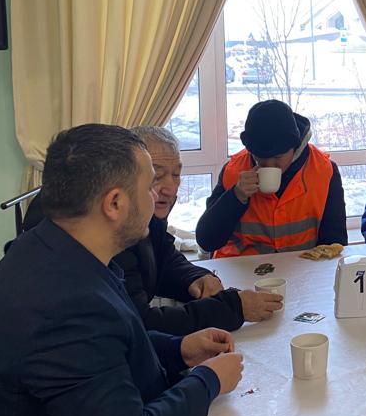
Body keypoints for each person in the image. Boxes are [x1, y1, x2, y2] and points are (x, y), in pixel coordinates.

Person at [0, 124, 244, 416]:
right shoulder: (66, 305)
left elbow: (111, 347)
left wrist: (179, 349)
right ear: (114, 203)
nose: (159, 195)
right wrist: (208, 380)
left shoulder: (51, 250)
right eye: (149, 186)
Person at [117, 126, 279, 333]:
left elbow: (163, 258)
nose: (171, 188)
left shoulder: (149, 218)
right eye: (157, 176)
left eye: (176, 174)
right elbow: (140, 325)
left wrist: (194, 276)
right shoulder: (116, 237)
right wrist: (232, 309)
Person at [196, 99, 347, 257]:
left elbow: (335, 242)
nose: (269, 165)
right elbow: (207, 241)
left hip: (301, 267)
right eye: (260, 157)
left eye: (278, 157)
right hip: (241, 268)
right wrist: (236, 196)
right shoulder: (234, 171)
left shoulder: (323, 171)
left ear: (295, 147)